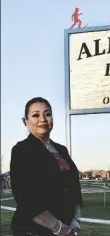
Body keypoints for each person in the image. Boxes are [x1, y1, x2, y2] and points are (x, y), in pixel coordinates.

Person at [10, 97, 83, 236]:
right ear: (25, 121)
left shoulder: (62, 150)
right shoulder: (22, 150)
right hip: (34, 230)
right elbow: (26, 198)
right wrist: (57, 227)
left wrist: (76, 219)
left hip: (67, 227)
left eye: (47, 114)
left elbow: (75, 188)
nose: (43, 119)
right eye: (35, 115)